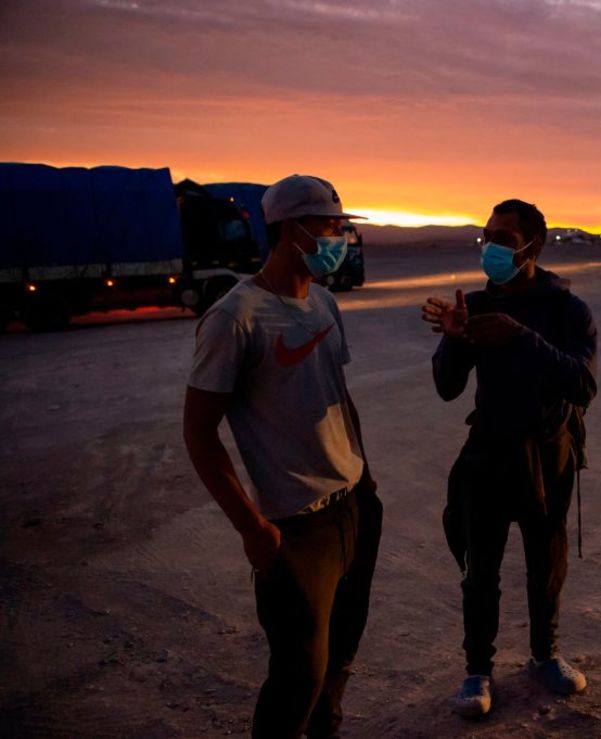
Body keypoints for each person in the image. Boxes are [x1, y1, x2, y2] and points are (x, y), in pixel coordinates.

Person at [183, 174, 382, 739]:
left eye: (342, 226)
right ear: (290, 230)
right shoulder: (235, 317)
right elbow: (199, 433)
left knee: (339, 663)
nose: (340, 236)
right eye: (330, 226)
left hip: (354, 511)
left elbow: (337, 399)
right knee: (298, 678)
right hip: (295, 530)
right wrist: (252, 526)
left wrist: (364, 481)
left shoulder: (322, 301)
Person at [421, 199, 597, 718]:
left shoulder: (568, 310)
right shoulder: (472, 305)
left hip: (548, 456)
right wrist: (455, 341)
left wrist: (520, 337)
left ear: (532, 247)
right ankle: (478, 670)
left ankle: (545, 655)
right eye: (487, 236)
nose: (491, 247)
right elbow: (447, 388)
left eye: (502, 237)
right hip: (488, 454)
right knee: (481, 570)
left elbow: (583, 384)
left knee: (547, 564)